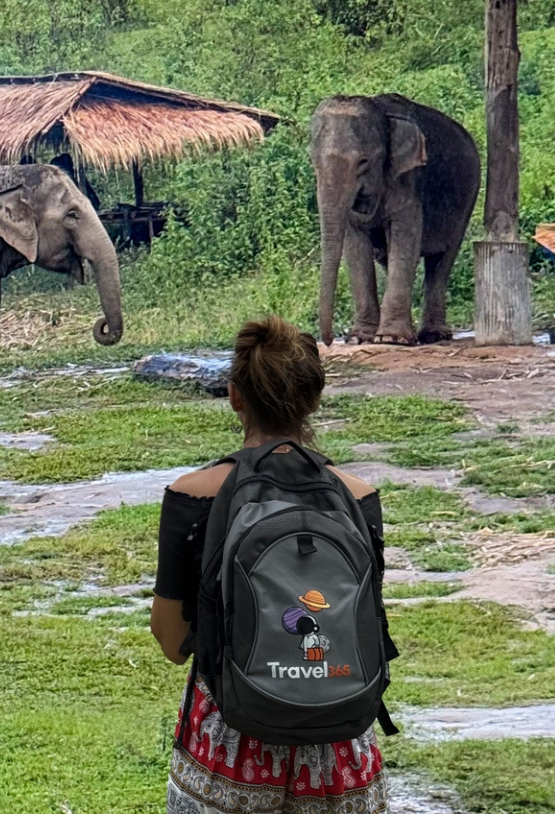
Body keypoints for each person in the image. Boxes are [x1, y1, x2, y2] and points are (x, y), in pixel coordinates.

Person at [150, 317, 393, 814]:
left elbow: (172, 643)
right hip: (341, 753)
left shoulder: (192, 494)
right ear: (315, 398)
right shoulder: (358, 497)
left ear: (235, 396)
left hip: (229, 750)